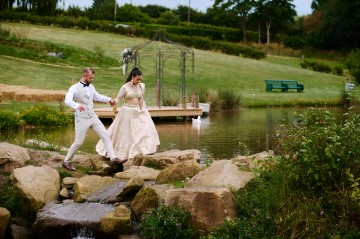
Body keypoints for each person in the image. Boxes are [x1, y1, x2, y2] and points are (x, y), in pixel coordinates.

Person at [62, 67, 125, 171]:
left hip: (93, 116)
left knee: (105, 135)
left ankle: (114, 158)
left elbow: (97, 96)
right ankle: (66, 161)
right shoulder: (74, 87)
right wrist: (77, 106)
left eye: (93, 78)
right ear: (84, 76)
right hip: (81, 118)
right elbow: (67, 100)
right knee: (78, 142)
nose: (92, 80)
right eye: (90, 78)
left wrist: (109, 100)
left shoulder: (91, 86)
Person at [96, 67, 160, 163]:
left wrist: (144, 109)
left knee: (145, 128)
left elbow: (142, 99)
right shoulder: (125, 87)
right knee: (127, 133)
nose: (139, 81)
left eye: (140, 79)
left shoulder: (142, 86)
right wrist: (113, 102)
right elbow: (118, 99)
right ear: (132, 77)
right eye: (137, 79)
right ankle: (121, 153)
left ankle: (144, 150)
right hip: (127, 111)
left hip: (139, 110)